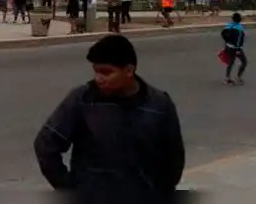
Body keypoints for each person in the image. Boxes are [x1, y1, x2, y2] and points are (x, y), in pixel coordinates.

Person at [33, 35, 185, 202]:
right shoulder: (82, 100)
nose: (98, 79)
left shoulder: (159, 105)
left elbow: (174, 158)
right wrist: (70, 190)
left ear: (128, 71)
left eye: (106, 72)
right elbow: (46, 145)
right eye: (96, 71)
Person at [221, 12, 248, 85]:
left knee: (231, 63)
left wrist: (227, 43)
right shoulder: (239, 29)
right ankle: (238, 77)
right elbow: (239, 41)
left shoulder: (228, 26)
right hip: (235, 48)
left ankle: (227, 78)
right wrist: (238, 50)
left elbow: (223, 35)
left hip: (228, 47)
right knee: (244, 62)